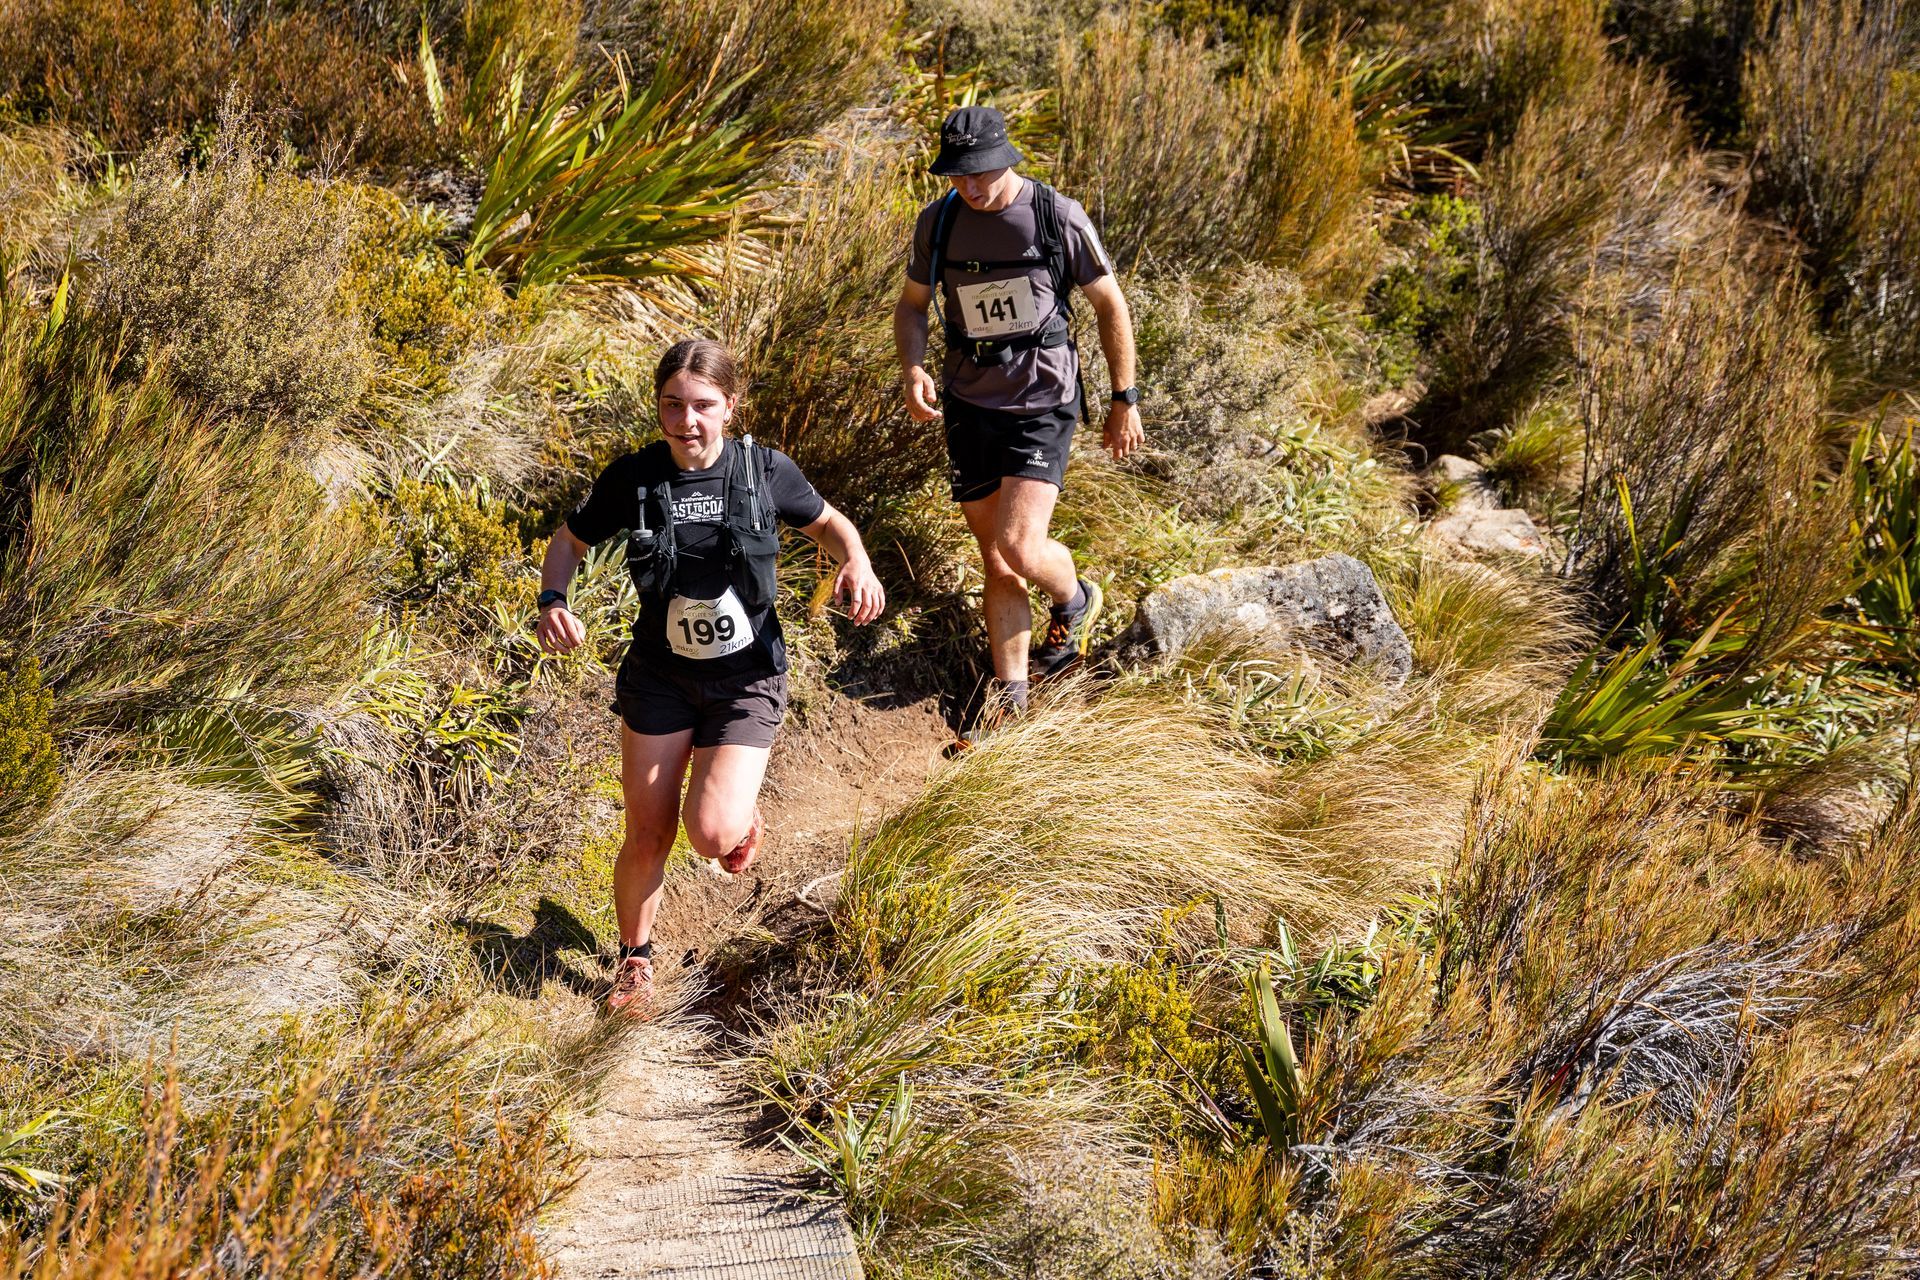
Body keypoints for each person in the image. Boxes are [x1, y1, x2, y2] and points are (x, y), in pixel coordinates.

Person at [535, 339, 885, 1014]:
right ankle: (634, 965)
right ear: (659, 407)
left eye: (702, 406)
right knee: (647, 833)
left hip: (747, 678)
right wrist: (555, 600)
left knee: (710, 835)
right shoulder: (634, 479)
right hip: (660, 677)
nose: (687, 420)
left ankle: (737, 819)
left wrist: (857, 563)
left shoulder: (764, 471)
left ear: (730, 406)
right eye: (673, 405)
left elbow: (832, 525)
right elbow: (568, 542)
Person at [893, 104, 1143, 746]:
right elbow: (914, 305)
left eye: (979, 173)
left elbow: (1109, 303)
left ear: (1007, 157)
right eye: (958, 174)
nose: (970, 186)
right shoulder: (940, 221)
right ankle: (1012, 706)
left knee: (1020, 545)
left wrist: (1124, 397)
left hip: (1043, 400)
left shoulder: (1056, 215)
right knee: (995, 562)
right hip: (969, 402)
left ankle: (1073, 598)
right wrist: (913, 367)